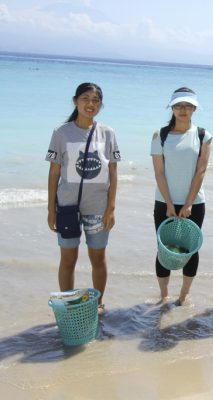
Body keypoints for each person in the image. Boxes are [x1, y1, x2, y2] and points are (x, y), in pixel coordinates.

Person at [46, 82, 120, 314]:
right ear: (75, 101)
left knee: (98, 258)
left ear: (100, 105)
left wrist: (111, 208)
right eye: (85, 98)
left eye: (95, 100)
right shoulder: (61, 132)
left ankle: (98, 304)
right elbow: (54, 172)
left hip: (98, 207)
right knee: (68, 259)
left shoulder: (107, 133)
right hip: (67, 206)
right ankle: (68, 306)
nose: (90, 104)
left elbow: (114, 173)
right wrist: (51, 209)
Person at [151, 87, 212, 305]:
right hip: (163, 201)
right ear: (172, 108)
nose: (182, 109)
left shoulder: (203, 135)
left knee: (190, 251)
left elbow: (201, 171)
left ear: (194, 108)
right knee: (163, 249)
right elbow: (159, 172)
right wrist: (169, 203)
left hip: (194, 203)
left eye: (187, 105)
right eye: (178, 105)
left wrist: (188, 203)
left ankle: (184, 294)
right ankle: (164, 295)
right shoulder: (160, 135)